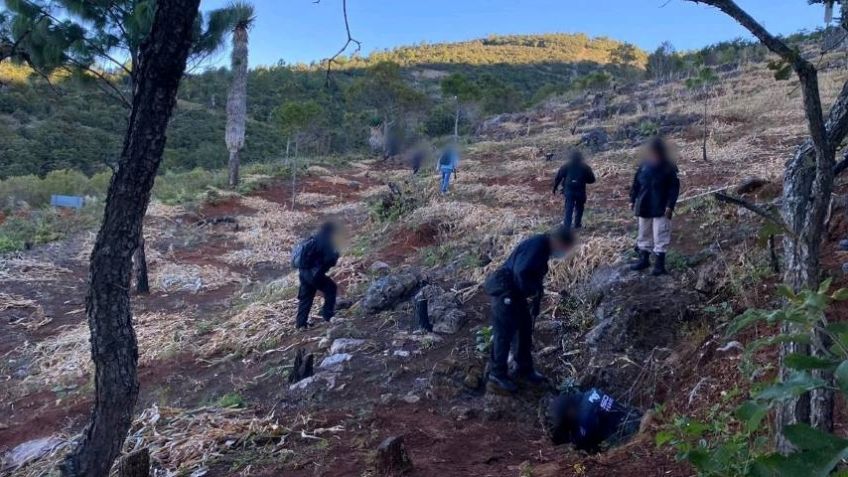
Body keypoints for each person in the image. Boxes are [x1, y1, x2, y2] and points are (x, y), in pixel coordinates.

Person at [483, 225, 577, 394]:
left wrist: (535, 295)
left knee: (524, 329)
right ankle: (497, 375)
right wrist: (532, 291)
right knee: (504, 334)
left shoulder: (544, 248)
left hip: (516, 293)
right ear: (558, 242)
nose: (564, 252)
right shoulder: (538, 245)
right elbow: (521, 271)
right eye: (565, 248)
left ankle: (524, 369)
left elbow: (531, 275)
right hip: (506, 292)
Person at [629, 137, 680, 276]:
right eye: (652, 151)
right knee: (643, 233)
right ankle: (644, 259)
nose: (654, 154)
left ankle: (659, 266)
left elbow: (674, 188)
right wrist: (632, 199)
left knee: (660, 234)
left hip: (662, 206)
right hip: (644, 204)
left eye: (656, 151)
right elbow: (636, 184)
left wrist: (670, 205)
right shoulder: (644, 165)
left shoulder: (669, 167)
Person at [543, 388, 643, 452]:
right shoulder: (591, 392)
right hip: (632, 415)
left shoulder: (584, 419)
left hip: (627, 434)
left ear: (570, 412)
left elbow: (581, 443)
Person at [294, 222, 341, 330]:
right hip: (313, 273)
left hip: (303, 272)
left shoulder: (313, 238)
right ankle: (328, 315)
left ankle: (301, 324)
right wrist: (335, 257)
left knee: (306, 297)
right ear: (331, 231)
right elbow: (329, 259)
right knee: (331, 288)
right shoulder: (325, 240)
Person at [553, 150, 597, 229]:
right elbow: (592, 180)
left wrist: (555, 187)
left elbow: (558, 177)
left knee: (569, 207)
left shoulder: (566, 166)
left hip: (569, 190)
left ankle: (567, 226)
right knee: (579, 207)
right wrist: (583, 180)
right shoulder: (585, 167)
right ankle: (577, 225)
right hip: (580, 190)